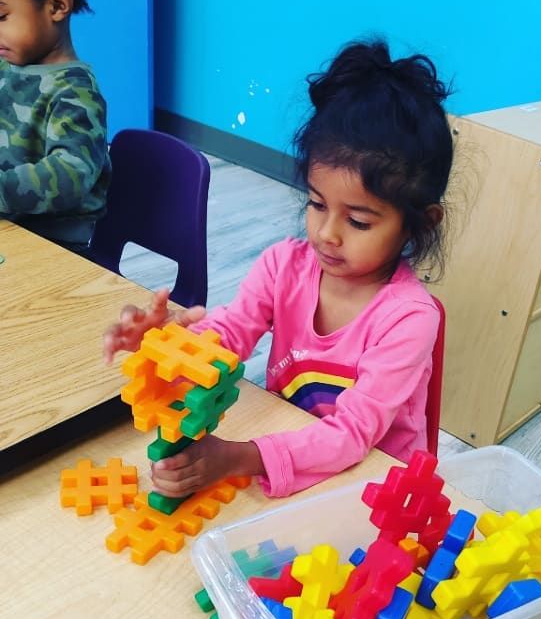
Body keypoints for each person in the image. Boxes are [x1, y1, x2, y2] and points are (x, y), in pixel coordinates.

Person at [103, 39, 454, 500]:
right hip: (289, 447)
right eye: (316, 203)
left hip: (375, 483)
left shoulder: (409, 318)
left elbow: (353, 436)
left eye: (359, 221)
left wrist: (236, 458)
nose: (327, 233)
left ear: (417, 225)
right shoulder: (283, 266)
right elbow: (228, 335)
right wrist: (168, 344)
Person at [0, 0, 110, 251]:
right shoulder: (7, 67)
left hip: (52, 247)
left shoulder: (76, 93)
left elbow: (71, 175)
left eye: (1, 16)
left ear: (58, 6)